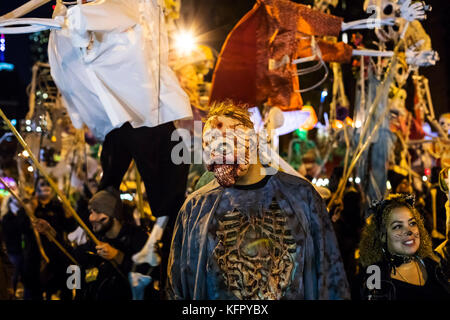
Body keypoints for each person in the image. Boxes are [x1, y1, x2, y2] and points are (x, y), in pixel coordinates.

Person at [167, 102, 350, 300]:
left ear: (253, 141)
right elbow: (177, 288)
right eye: (209, 145)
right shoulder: (196, 208)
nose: (216, 153)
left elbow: (330, 275)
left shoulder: (302, 197)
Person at [358, 193, 450, 300]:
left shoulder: (434, 262)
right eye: (398, 226)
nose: (409, 231)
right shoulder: (375, 275)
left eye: (412, 223)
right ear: (383, 236)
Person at [73, 187, 149, 300]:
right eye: (91, 212)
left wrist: (118, 256)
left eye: (97, 212)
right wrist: (51, 233)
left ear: (112, 215)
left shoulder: (137, 238)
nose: (91, 218)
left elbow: (148, 273)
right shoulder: (96, 241)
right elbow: (72, 258)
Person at [26, 176, 77, 300]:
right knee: (35, 289)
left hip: (57, 253)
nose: (45, 187)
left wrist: (68, 213)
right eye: (42, 184)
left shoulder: (57, 206)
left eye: (48, 184)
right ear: (36, 187)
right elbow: (22, 229)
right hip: (36, 255)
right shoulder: (32, 206)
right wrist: (28, 211)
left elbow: (69, 228)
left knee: (63, 287)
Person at [0, 196, 26, 297]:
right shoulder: (7, 218)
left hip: (23, 252)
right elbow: (12, 231)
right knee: (13, 278)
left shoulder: (22, 216)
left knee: (25, 278)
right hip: (13, 252)